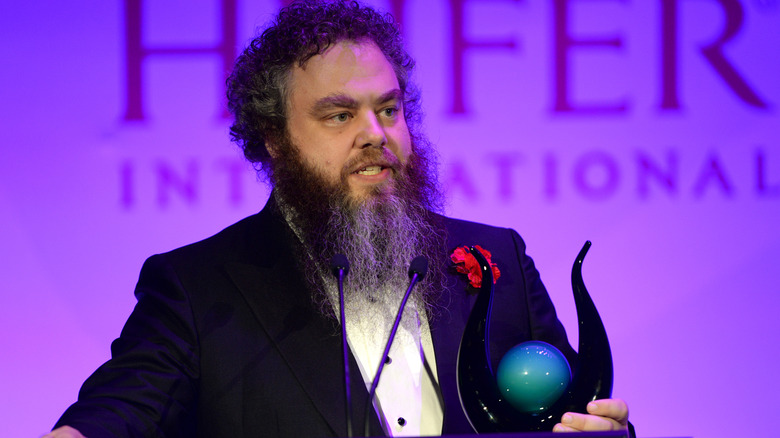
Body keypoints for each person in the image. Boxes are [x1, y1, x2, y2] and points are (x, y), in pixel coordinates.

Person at [46, 1, 630, 437]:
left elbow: (577, 409)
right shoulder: (200, 290)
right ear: (274, 138)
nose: (375, 135)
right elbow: (121, 410)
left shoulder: (496, 258)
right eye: (339, 115)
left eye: (389, 109)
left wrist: (612, 434)